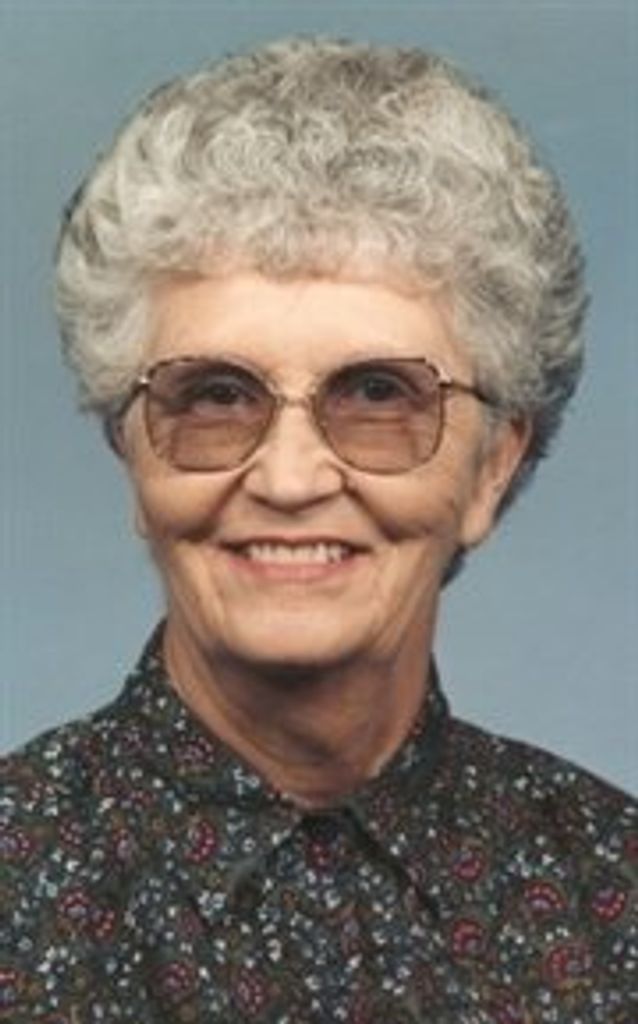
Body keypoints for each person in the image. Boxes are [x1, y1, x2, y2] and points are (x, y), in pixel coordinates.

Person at [1, 37, 635, 1024]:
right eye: (215, 396)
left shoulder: (613, 895)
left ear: (491, 467)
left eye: (378, 394)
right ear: (132, 452)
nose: (290, 479)